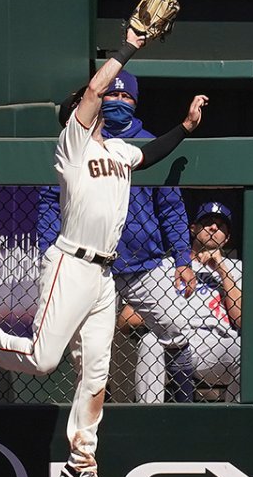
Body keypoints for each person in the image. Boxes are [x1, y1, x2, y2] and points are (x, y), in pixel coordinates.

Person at [0, 18, 209, 477]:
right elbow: (95, 89)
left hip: (104, 275)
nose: (98, 103)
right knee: (42, 359)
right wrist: (130, 46)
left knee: (96, 374)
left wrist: (185, 127)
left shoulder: (118, 150)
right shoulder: (72, 145)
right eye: (89, 103)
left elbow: (152, 154)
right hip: (71, 264)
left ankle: (82, 461)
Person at [36, 69, 195, 401]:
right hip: (92, 267)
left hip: (145, 265)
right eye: (113, 95)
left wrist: (182, 258)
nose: (118, 102)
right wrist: (50, 248)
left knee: (177, 332)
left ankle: (185, 405)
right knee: (88, 350)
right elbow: (51, 200)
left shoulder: (140, 143)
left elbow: (171, 207)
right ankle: (99, 409)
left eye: (126, 97)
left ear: (135, 103)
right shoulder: (76, 144)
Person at [134, 201, 242, 403]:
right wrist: (169, 314)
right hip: (173, 337)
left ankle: (233, 423)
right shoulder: (167, 266)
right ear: (193, 229)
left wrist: (221, 268)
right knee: (149, 342)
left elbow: (242, 319)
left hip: (218, 343)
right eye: (207, 222)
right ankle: (148, 420)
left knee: (246, 349)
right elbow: (127, 319)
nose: (213, 227)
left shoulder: (236, 268)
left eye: (221, 226)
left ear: (227, 238)